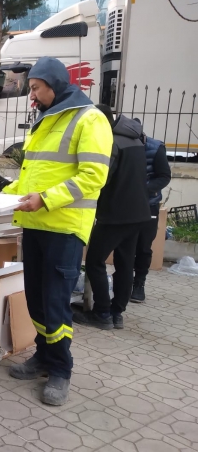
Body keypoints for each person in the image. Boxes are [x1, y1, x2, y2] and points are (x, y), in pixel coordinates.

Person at [0, 57, 113, 406]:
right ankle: (43, 356)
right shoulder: (46, 120)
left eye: (35, 88)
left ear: (54, 84)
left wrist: (45, 200)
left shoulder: (89, 119)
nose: (32, 95)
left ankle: (61, 369)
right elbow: (35, 177)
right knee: (36, 299)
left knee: (56, 303)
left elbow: (94, 177)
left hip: (64, 228)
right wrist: (1, 195)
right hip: (35, 225)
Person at [74, 109, 151, 330]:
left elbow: (101, 178)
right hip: (138, 213)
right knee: (125, 263)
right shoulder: (135, 138)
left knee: (95, 262)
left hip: (115, 213)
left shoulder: (111, 142)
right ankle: (117, 313)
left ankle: (102, 313)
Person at [131, 119, 171, 303]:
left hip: (149, 204)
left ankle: (139, 283)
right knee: (125, 246)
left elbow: (164, 176)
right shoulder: (120, 144)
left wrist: (143, 189)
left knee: (143, 247)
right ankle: (122, 282)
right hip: (125, 205)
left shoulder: (156, 148)